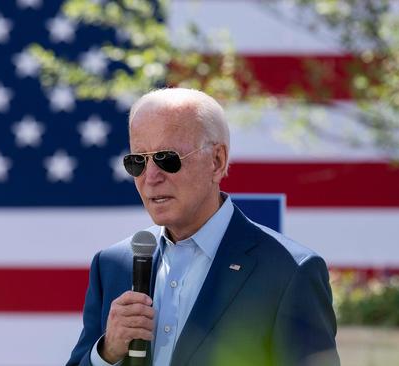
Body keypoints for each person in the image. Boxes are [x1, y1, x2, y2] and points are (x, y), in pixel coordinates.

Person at [66, 88, 339, 366]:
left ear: (217, 161)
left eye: (167, 158)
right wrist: (107, 352)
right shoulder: (112, 264)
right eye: (138, 161)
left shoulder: (290, 272)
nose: (150, 177)